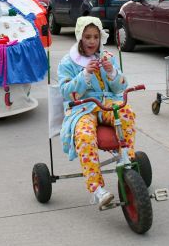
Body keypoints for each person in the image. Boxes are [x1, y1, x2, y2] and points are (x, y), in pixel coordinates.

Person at [58, 17, 136, 208]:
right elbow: (67, 92)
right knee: (84, 136)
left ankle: (127, 161)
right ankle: (97, 190)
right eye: (87, 37)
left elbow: (120, 88)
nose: (92, 41)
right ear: (79, 38)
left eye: (95, 37)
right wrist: (84, 75)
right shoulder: (68, 62)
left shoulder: (107, 56)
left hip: (106, 102)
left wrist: (112, 73)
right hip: (82, 107)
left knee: (125, 112)